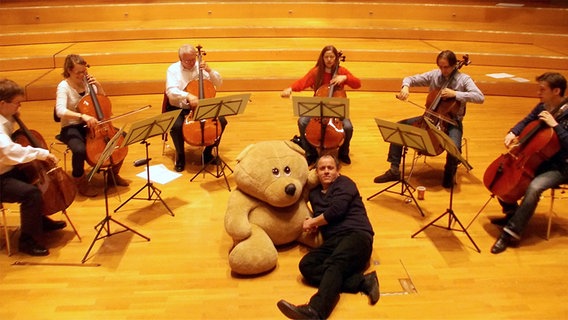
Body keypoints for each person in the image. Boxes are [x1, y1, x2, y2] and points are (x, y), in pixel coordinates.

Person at [277, 154, 379, 320]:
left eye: (330, 168)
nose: (326, 172)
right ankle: (361, 282)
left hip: (357, 236)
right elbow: (322, 216)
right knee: (307, 265)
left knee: (335, 264)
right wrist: (316, 225)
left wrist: (312, 222)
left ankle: (315, 311)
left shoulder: (345, 183)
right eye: (322, 168)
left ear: (337, 171)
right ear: (316, 172)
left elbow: (336, 211)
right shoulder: (315, 194)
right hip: (334, 241)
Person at [373, 50, 484, 188]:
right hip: (429, 117)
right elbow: (410, 79)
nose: (443, 71)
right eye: (440, 67)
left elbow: (480, 97)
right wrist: (406, 87)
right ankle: (394, 169)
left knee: (454, 148)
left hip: (452, 122)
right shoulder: (435, 75)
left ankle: (449, 174)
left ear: (454, 65)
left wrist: (456, 94)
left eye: (446, 67)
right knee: (399, 127)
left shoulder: (464, 79)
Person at [490, 72, 568, 254]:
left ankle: (510, 233)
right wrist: (513, 132)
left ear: (556, 91)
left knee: (534, 187)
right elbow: (527, 120)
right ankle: (512, 214)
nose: (538, 93)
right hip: (541, 158)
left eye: (542, 89)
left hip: (562, 165)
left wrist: (555, 125)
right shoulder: (543, 105)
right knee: (504, 172)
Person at [0, 78, 67, 256]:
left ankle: (38, 220)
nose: (19, 108)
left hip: (6, 170)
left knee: (35, 181)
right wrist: (40, 153)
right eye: (17, 104)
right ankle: (27, 242)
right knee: (31, 194)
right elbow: (8, 151)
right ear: (2, 103)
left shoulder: (5, 117)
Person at [55, 54, 130, 197]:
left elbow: (103, 103)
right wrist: (81, 115)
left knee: (122, 139)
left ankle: (113, 175)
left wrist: (99, 86)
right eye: (78, 72)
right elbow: (60, 111)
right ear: (69, 70)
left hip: (95, 125)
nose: (82, 75)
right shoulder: (64, 87)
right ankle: (80, 182)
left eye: (84, 71)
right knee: (79, 150)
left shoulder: (88, 84)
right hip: (72, 126)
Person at [281, 45, 361, 166]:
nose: (329, 59)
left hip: (336, 110)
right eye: (326, 57)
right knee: (302, 121)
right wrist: (290, 88)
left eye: (332, 57)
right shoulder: (317, 72)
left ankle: (344, 152)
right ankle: (310, 153)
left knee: (348, 127)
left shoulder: (341, 71)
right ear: (322, 58)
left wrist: (345, 77)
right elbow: (302, 82)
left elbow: (357, 84)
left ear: (336, 58)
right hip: (318, 108)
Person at [165, 44, 226, 172]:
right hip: (179, 107)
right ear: (180, 59)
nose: (192, 63)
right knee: (176, 127)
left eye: (193, 59)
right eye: (188, 61)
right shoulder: (173, 70)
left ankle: (208, 153)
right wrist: (187, 95)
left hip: (202, 106)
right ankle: (180, 156)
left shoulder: (201, 66)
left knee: (221, 121)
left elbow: (218, 83)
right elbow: (170, 91)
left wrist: (210, 71)